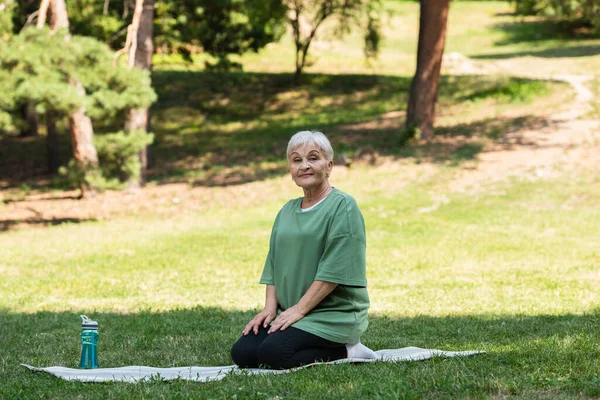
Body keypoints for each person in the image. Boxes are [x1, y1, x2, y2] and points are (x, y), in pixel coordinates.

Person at [230, 130, 377, 370]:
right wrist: (270, 308)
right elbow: (274, 263)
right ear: (290, 169)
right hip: (292, 312)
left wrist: (299, 310)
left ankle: (348, 350)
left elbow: (334, 270)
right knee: (244, 354)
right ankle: (298, 334)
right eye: (297, 160)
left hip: (333, 314)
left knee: (275, 354)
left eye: (313, 158)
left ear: (329, 166)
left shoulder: (343, 206)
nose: (305, 166)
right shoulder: (286, 211)